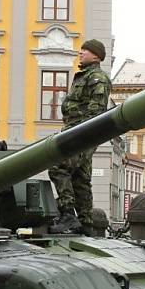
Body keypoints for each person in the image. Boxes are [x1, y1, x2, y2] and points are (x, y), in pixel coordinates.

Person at [48, 39, 111, 235]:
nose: (81, 52)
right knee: (80, 178)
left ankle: (68, 214)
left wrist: (80, 135)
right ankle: (85, 223)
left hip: (82, 134)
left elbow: (96, 112)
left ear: (96, 56)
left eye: (86, 50)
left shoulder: (97, 78)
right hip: (76, 132)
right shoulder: (85, 77)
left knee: (58, 166)